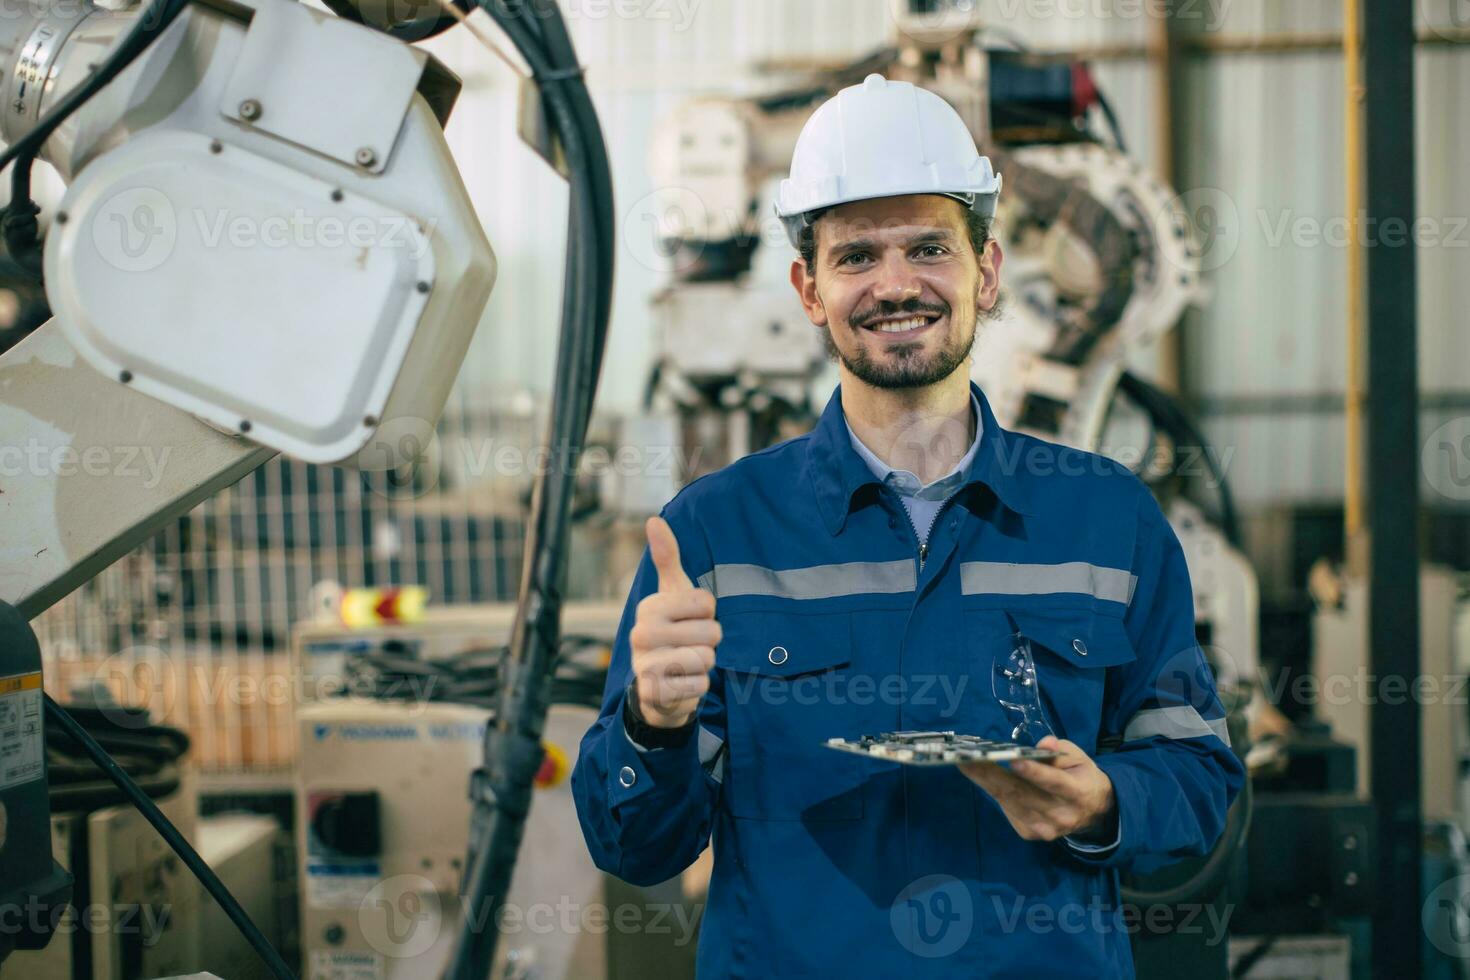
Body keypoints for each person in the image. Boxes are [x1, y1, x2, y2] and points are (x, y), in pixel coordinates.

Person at [572, 74, 1244, 978]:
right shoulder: (715, 536)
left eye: (929, 247)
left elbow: (1199, 778)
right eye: (856, 256)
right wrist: (653, 723)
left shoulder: (1106, 520)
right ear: (809, 290)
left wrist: (1105, 802)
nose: (895, 285)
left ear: (988, 272)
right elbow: (637, 848)